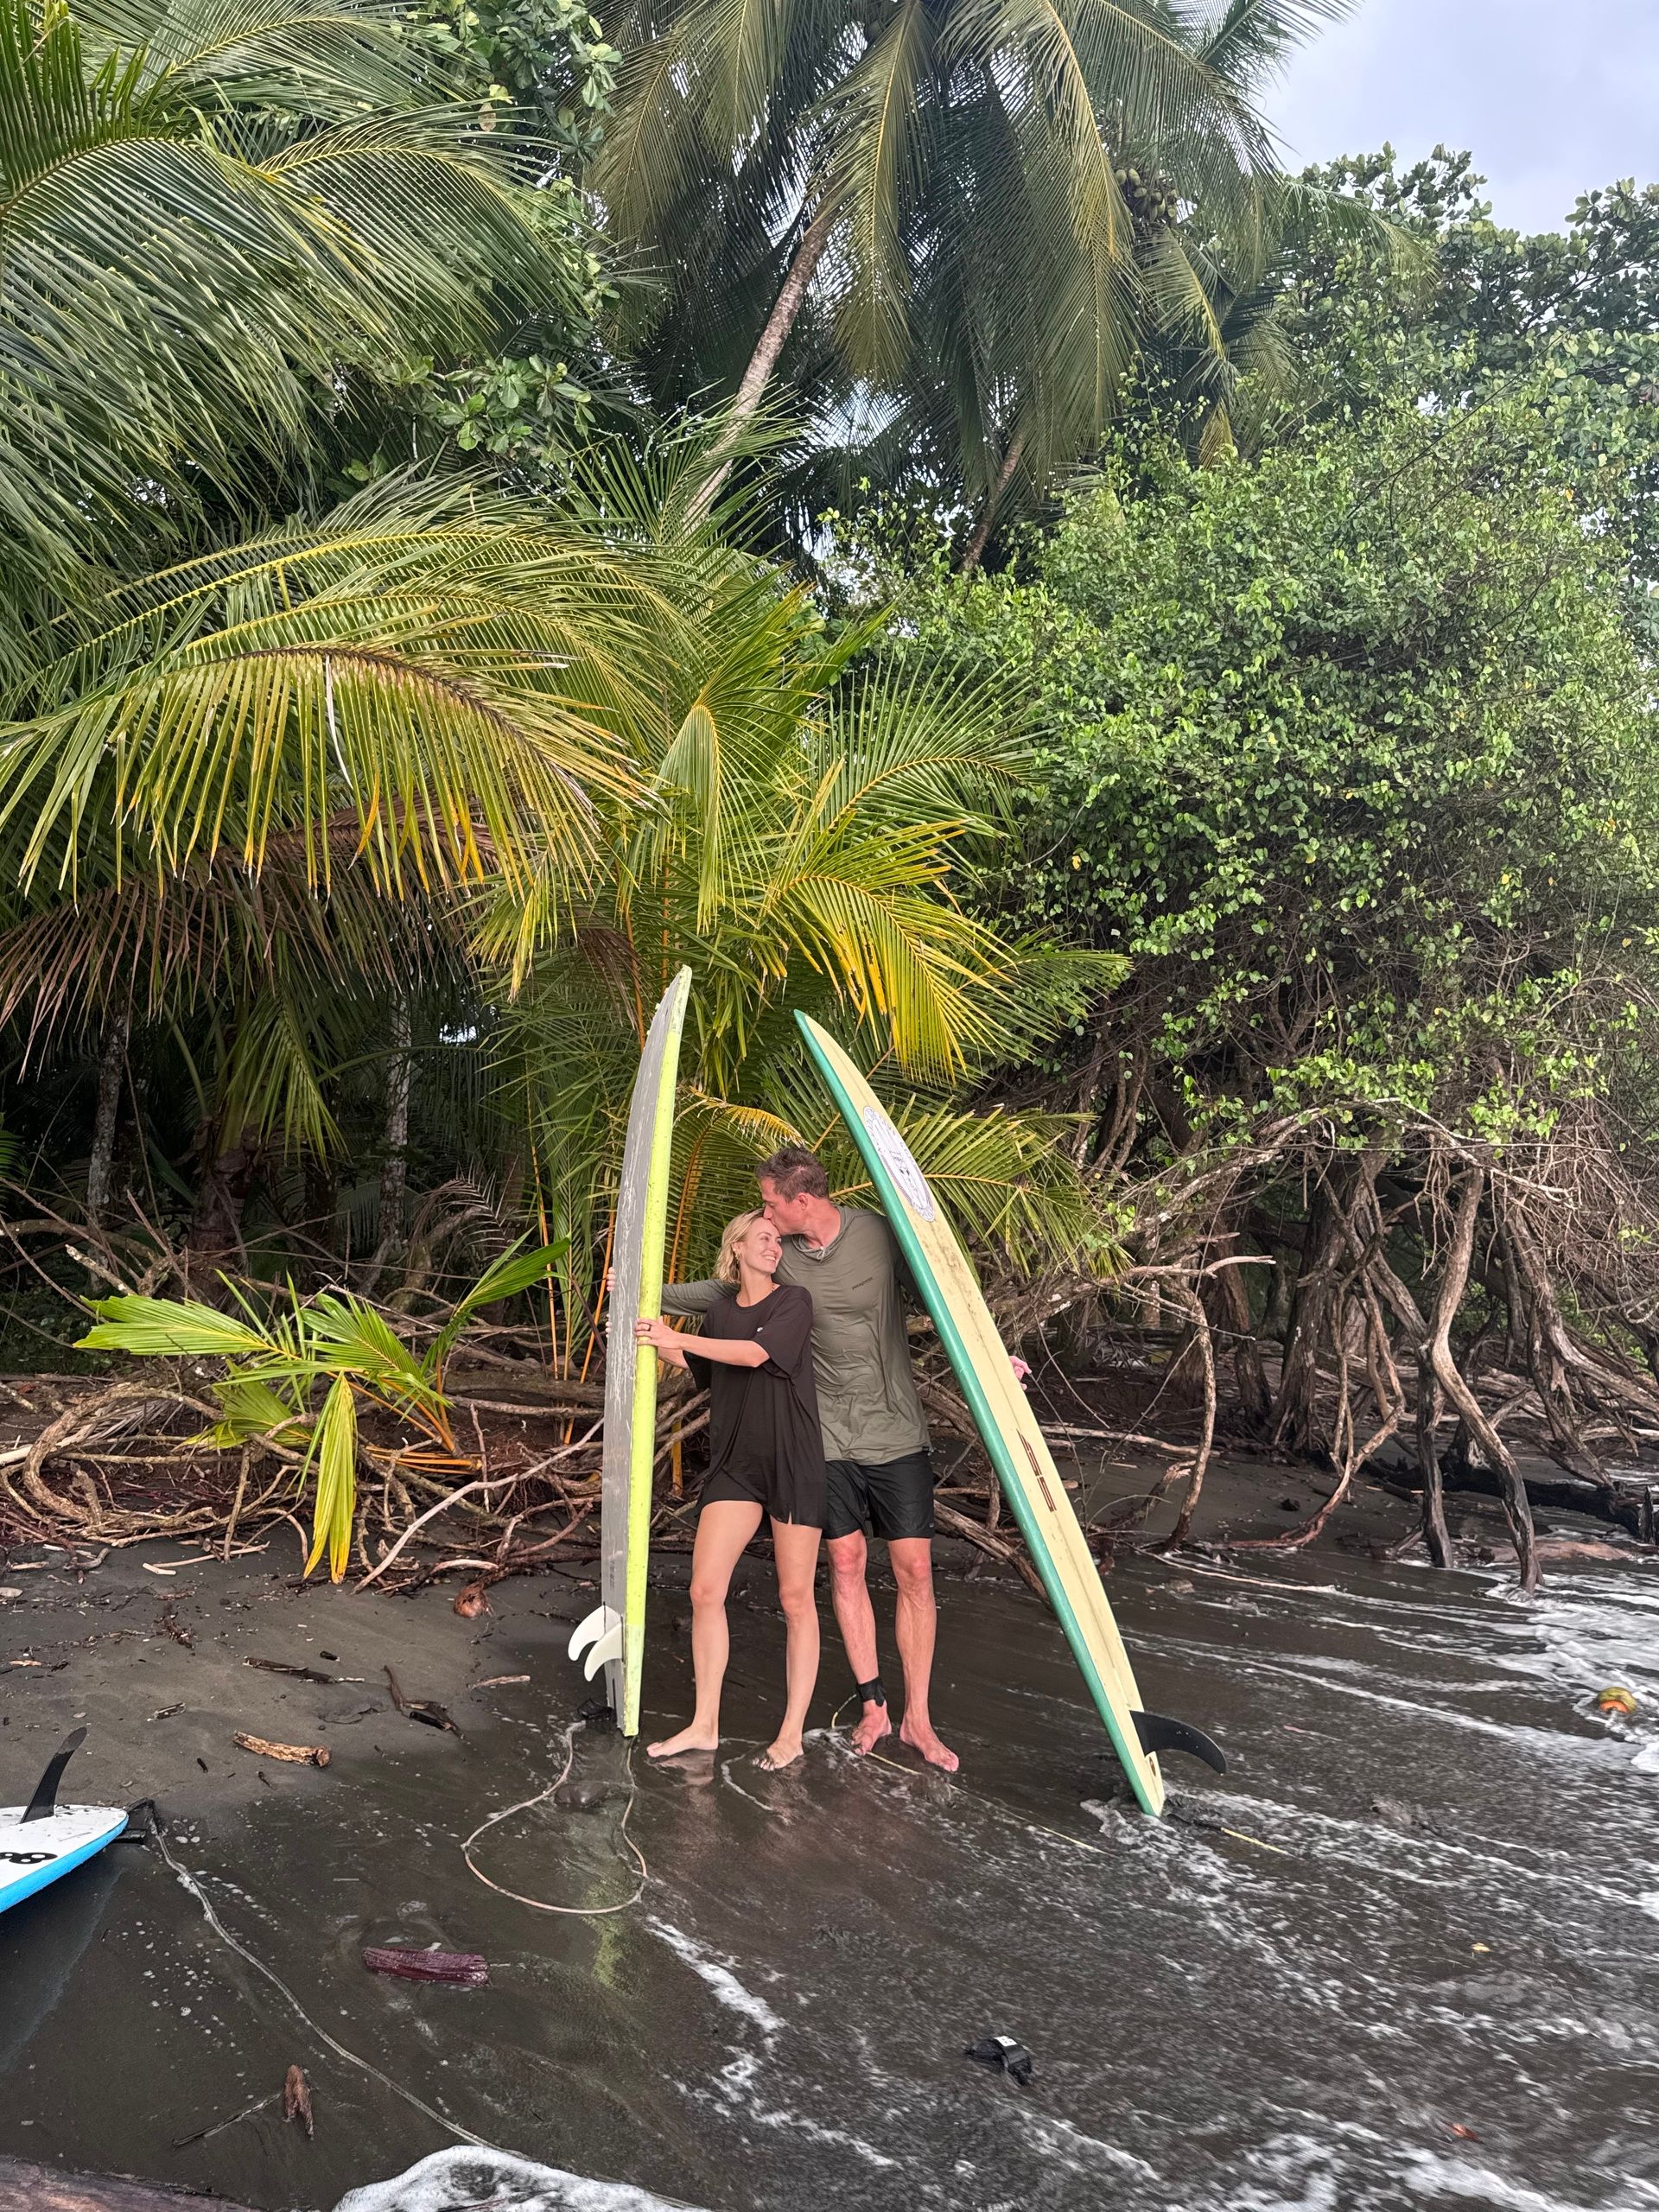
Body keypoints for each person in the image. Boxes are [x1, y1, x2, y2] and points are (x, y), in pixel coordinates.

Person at [664, 1145, 958, 1772]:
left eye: (771, 1203)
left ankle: (919, 1719)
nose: (765, 1214)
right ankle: (873, 1705)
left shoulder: (877, 1234)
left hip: (894, 1429)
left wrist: (991, 1358)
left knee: (914, 1569)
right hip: (822, 1437)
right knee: (845, 1562)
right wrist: (644, 1291)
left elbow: (941, 1294)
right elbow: (726, 1291)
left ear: (802, 1200)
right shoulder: (781, 1256)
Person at [636, 1209, 825, 1770]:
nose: (774, 1247)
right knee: (704, 1591)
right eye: (763, 1238)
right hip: (735, 1465)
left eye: (777, 1241)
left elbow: (754, 1355)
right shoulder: (718, 1314)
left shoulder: (793, 1303)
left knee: (795, 1599)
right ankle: (705, 1725)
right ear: (736, 1247)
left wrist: (677, 1334)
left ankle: (791, 1732)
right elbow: (697, 1362)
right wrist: (642, 1323)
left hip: (792, 1463)